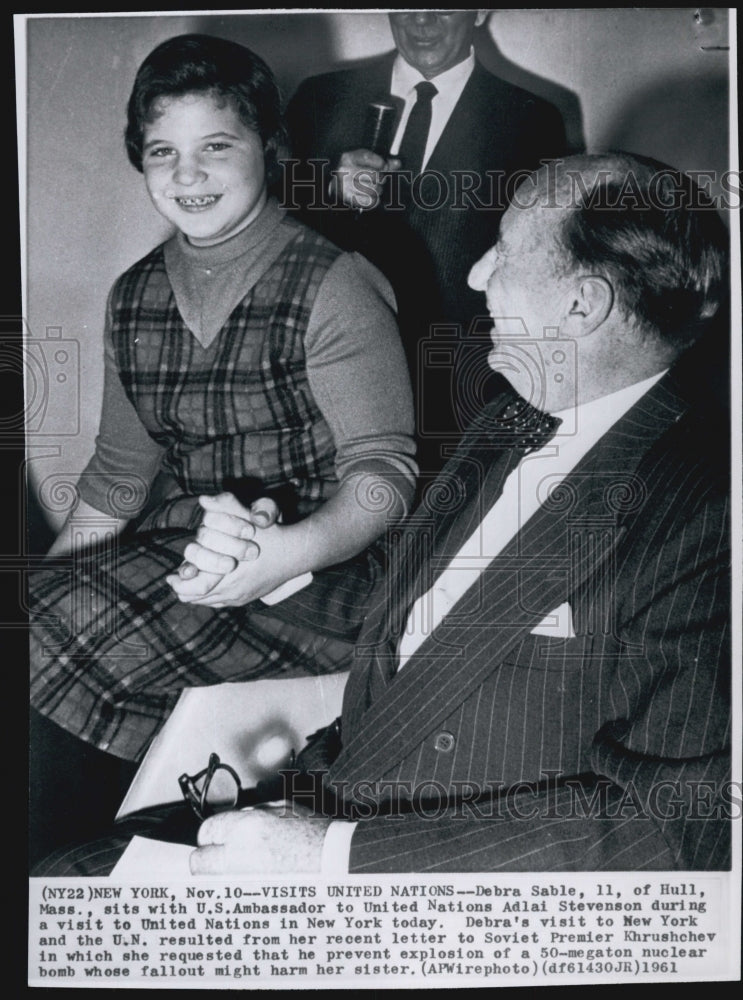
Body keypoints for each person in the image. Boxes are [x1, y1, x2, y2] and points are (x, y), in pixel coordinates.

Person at [34, 152, 731, 877]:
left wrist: (330, 854)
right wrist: (277, 568)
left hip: (429, 888)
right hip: (329, 800)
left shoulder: (705, 516)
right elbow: (427, 628)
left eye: (503, 252)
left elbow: (677, 829)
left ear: (581, 306)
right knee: (55, 883)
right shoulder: (506, 424)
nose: (475, 273)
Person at [28, 34, 416, 859]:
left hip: (333, 576)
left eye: (215, 147)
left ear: (267, 150)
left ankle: (66, 859)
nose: (187, 175)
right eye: (163, 151)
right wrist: (45, 587)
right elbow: (116, 480)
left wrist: (282, 554)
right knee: (36, 617)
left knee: (66, 626)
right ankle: (74, 863)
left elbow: (385, 478)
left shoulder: (333, 281)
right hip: (199, 557)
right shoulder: (133, 295)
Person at [284, 10, 568, 472]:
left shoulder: (534, 119)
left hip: (456, 393)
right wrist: (327, 189)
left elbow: (542, 262)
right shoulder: (318, 97)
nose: (422, 19)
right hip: (327, 379)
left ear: (480, 11)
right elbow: (274, 226)